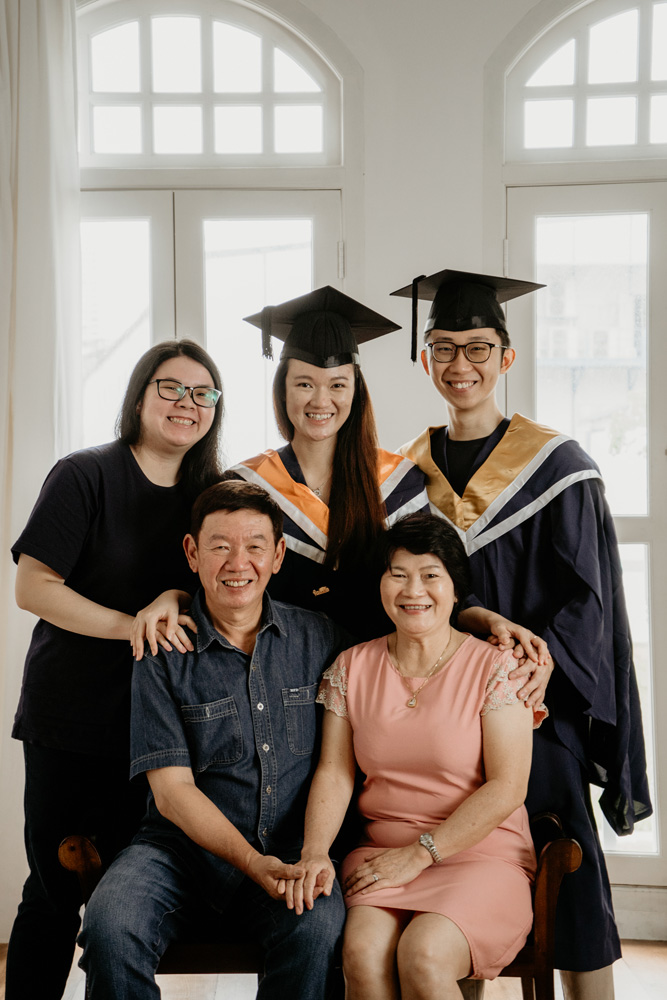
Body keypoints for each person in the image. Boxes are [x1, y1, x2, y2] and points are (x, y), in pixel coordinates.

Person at [394, 268, 653, 1000]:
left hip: (535, 701)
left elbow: (586, 600)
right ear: (425, 359)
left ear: (506, 358)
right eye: (442, 347)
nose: (459, 364)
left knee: (559, 837)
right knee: (447, 854)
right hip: (440, 707)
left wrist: (528, 670)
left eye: (477, 348)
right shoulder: (404, 476)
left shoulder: (557, 467)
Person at [7, 339, 224, 1000]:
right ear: (138, 397)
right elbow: (33, 586)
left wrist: (173, 597)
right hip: (70, 717)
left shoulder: (211, 492)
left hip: (163, 729)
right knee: (53, 888)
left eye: (202, 393)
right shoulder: (85, 474)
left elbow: (225, 581)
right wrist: (131, 623)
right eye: (169, 388)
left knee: (131, 896)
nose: (185, 404)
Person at [78, 480, 348, 1000]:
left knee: (315, 930)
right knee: (110, 925)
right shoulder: (162, 649)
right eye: (220, 546)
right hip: (178, 853)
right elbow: (172, 792)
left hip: (289, 847)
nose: (237, 562)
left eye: (254, 546)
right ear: (192, 553)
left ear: (278, 555)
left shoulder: (322, 639)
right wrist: (249, 861)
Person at [288, 512, 545, 1000]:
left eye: (430, 575)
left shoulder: (497, 666)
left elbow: (508, 787)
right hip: (381, 855)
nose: (413, 590)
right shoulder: (352, 665)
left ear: (454, 589)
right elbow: (335, 773)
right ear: (381, 585)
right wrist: (316, 851)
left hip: (480, 855)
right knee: (361, 956)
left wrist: (421, 854)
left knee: (423, 955)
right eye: (398, 574)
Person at [228, 285, 431, 640]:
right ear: (283, 390)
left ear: (356, 391)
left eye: (337, 385)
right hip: (279, 679)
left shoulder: (401, 483)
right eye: (304, 384)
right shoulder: (246, 486)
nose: (321, 400)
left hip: (380, 675)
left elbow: (425, 586)